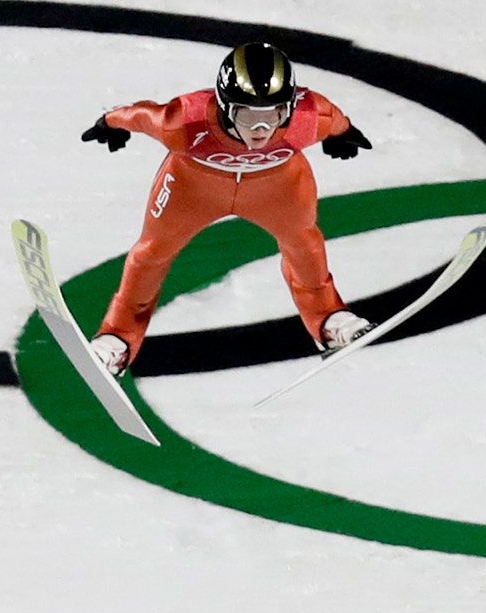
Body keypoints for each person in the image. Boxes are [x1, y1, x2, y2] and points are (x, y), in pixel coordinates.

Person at [79, 42, 375, 376]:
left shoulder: (308, 118)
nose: (261, 130)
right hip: (192, 192)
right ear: (223, 106)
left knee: (303, 243)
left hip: (276, 190)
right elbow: (142, 115)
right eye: (247, 115)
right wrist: (111, 122)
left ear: (290, 107)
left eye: (275, 115)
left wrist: (344, 132)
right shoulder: (184, 121)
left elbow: (333, 120)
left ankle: (328, 319)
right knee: (152, 253)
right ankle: (117, 335)